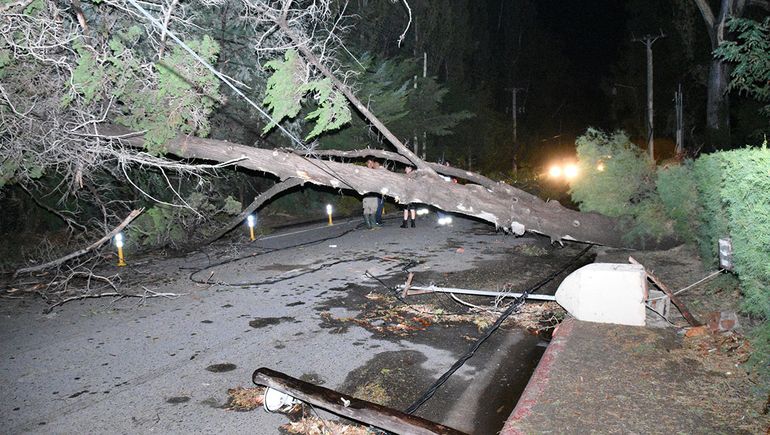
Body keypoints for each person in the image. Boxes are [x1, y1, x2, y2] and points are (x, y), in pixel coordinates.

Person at [366, 159, 385, 226]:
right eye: (369, 163)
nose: (370, 164)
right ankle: (372, 222)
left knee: (380, 206)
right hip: (371, 192)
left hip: (378, 192)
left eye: (372, 163)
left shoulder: (376, 171)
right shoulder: (366, 172)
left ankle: (378, 221)